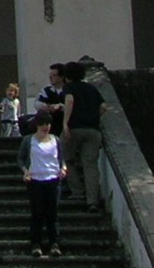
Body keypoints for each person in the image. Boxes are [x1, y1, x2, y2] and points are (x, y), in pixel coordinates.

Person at [20, 110, 68, 257]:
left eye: (47, 124)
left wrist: (63, 168)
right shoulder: (29, 140)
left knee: (52, 213)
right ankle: (36, 243)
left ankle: (54, 243)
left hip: (53, 179)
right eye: (42, 124)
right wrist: (25, 171)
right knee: (37, 213)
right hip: (35, 180)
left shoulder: (55, 140)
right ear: (37, 125)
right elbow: (21, 159)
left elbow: (61, 158)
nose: (45, 127)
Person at [59, 61, 105, 210]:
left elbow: (70, 100)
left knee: (65, 157)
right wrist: (93, 117)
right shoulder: (91, 88)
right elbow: (103, 106)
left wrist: (65, 123)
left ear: (67, 76)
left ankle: (77, 190)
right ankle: (93, 200)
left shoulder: (69, 88)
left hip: (75, 128)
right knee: (90, 165)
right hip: (93, 130)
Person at [33, 64, 68, 131]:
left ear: (62, 77)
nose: (51, 77)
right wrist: (47, 106)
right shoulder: (47, 90)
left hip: (66, 125)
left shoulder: (68, 90)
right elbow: (37, 103)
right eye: (50, 75)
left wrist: (61, 107)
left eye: (54, 75)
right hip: (51, 125)